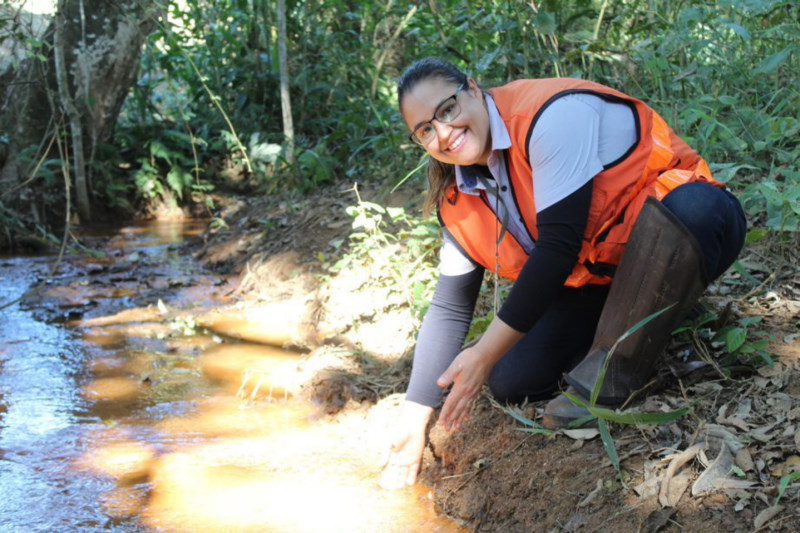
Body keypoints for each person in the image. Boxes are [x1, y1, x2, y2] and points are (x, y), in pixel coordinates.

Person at [379, 58, 746, 490]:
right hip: (601, 278)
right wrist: (415, 415)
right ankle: (635, 323)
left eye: (447, 110)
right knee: (511, 378)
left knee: (696, 207)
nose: (442, 132)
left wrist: (482, 352)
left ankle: (617, 369)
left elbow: (557, 248)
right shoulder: (459, 196)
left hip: (687, 225)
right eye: (425, 129)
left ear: (473, 89)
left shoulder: (550, 116)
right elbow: (449, 304)